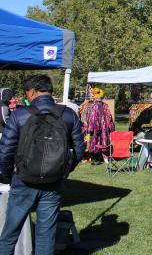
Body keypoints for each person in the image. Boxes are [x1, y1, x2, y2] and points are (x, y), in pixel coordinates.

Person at [0, 75, 85, 255]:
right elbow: (79, 150)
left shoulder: (19, 115)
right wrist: (64, 171)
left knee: (10, 233)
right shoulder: (68, 114)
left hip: (22, 181)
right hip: (53, 183)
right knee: (46, 236)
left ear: (32, 92)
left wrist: (10, 175)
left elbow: (5, 151)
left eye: (27, 94)